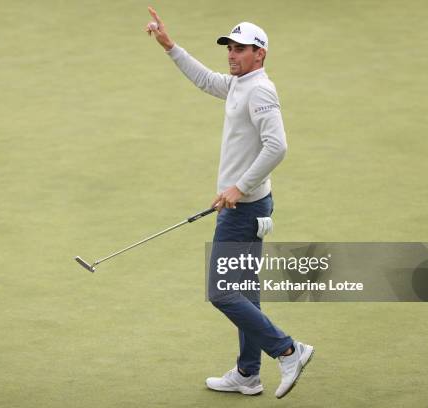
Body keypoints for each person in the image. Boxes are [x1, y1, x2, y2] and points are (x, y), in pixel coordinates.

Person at [145, 6, 314, 399]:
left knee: (222, 291)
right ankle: (248, 374)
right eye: (230, 47)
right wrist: (170, 45)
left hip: (245, 209)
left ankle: (289, 350)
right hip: (249, 208)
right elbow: (205, 79)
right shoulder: (240, 84)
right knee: (245, 292)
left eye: (241, 49)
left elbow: (278, 146)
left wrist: (239, 186)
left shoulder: (260, 90)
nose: (232, 54)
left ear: (261, 54)